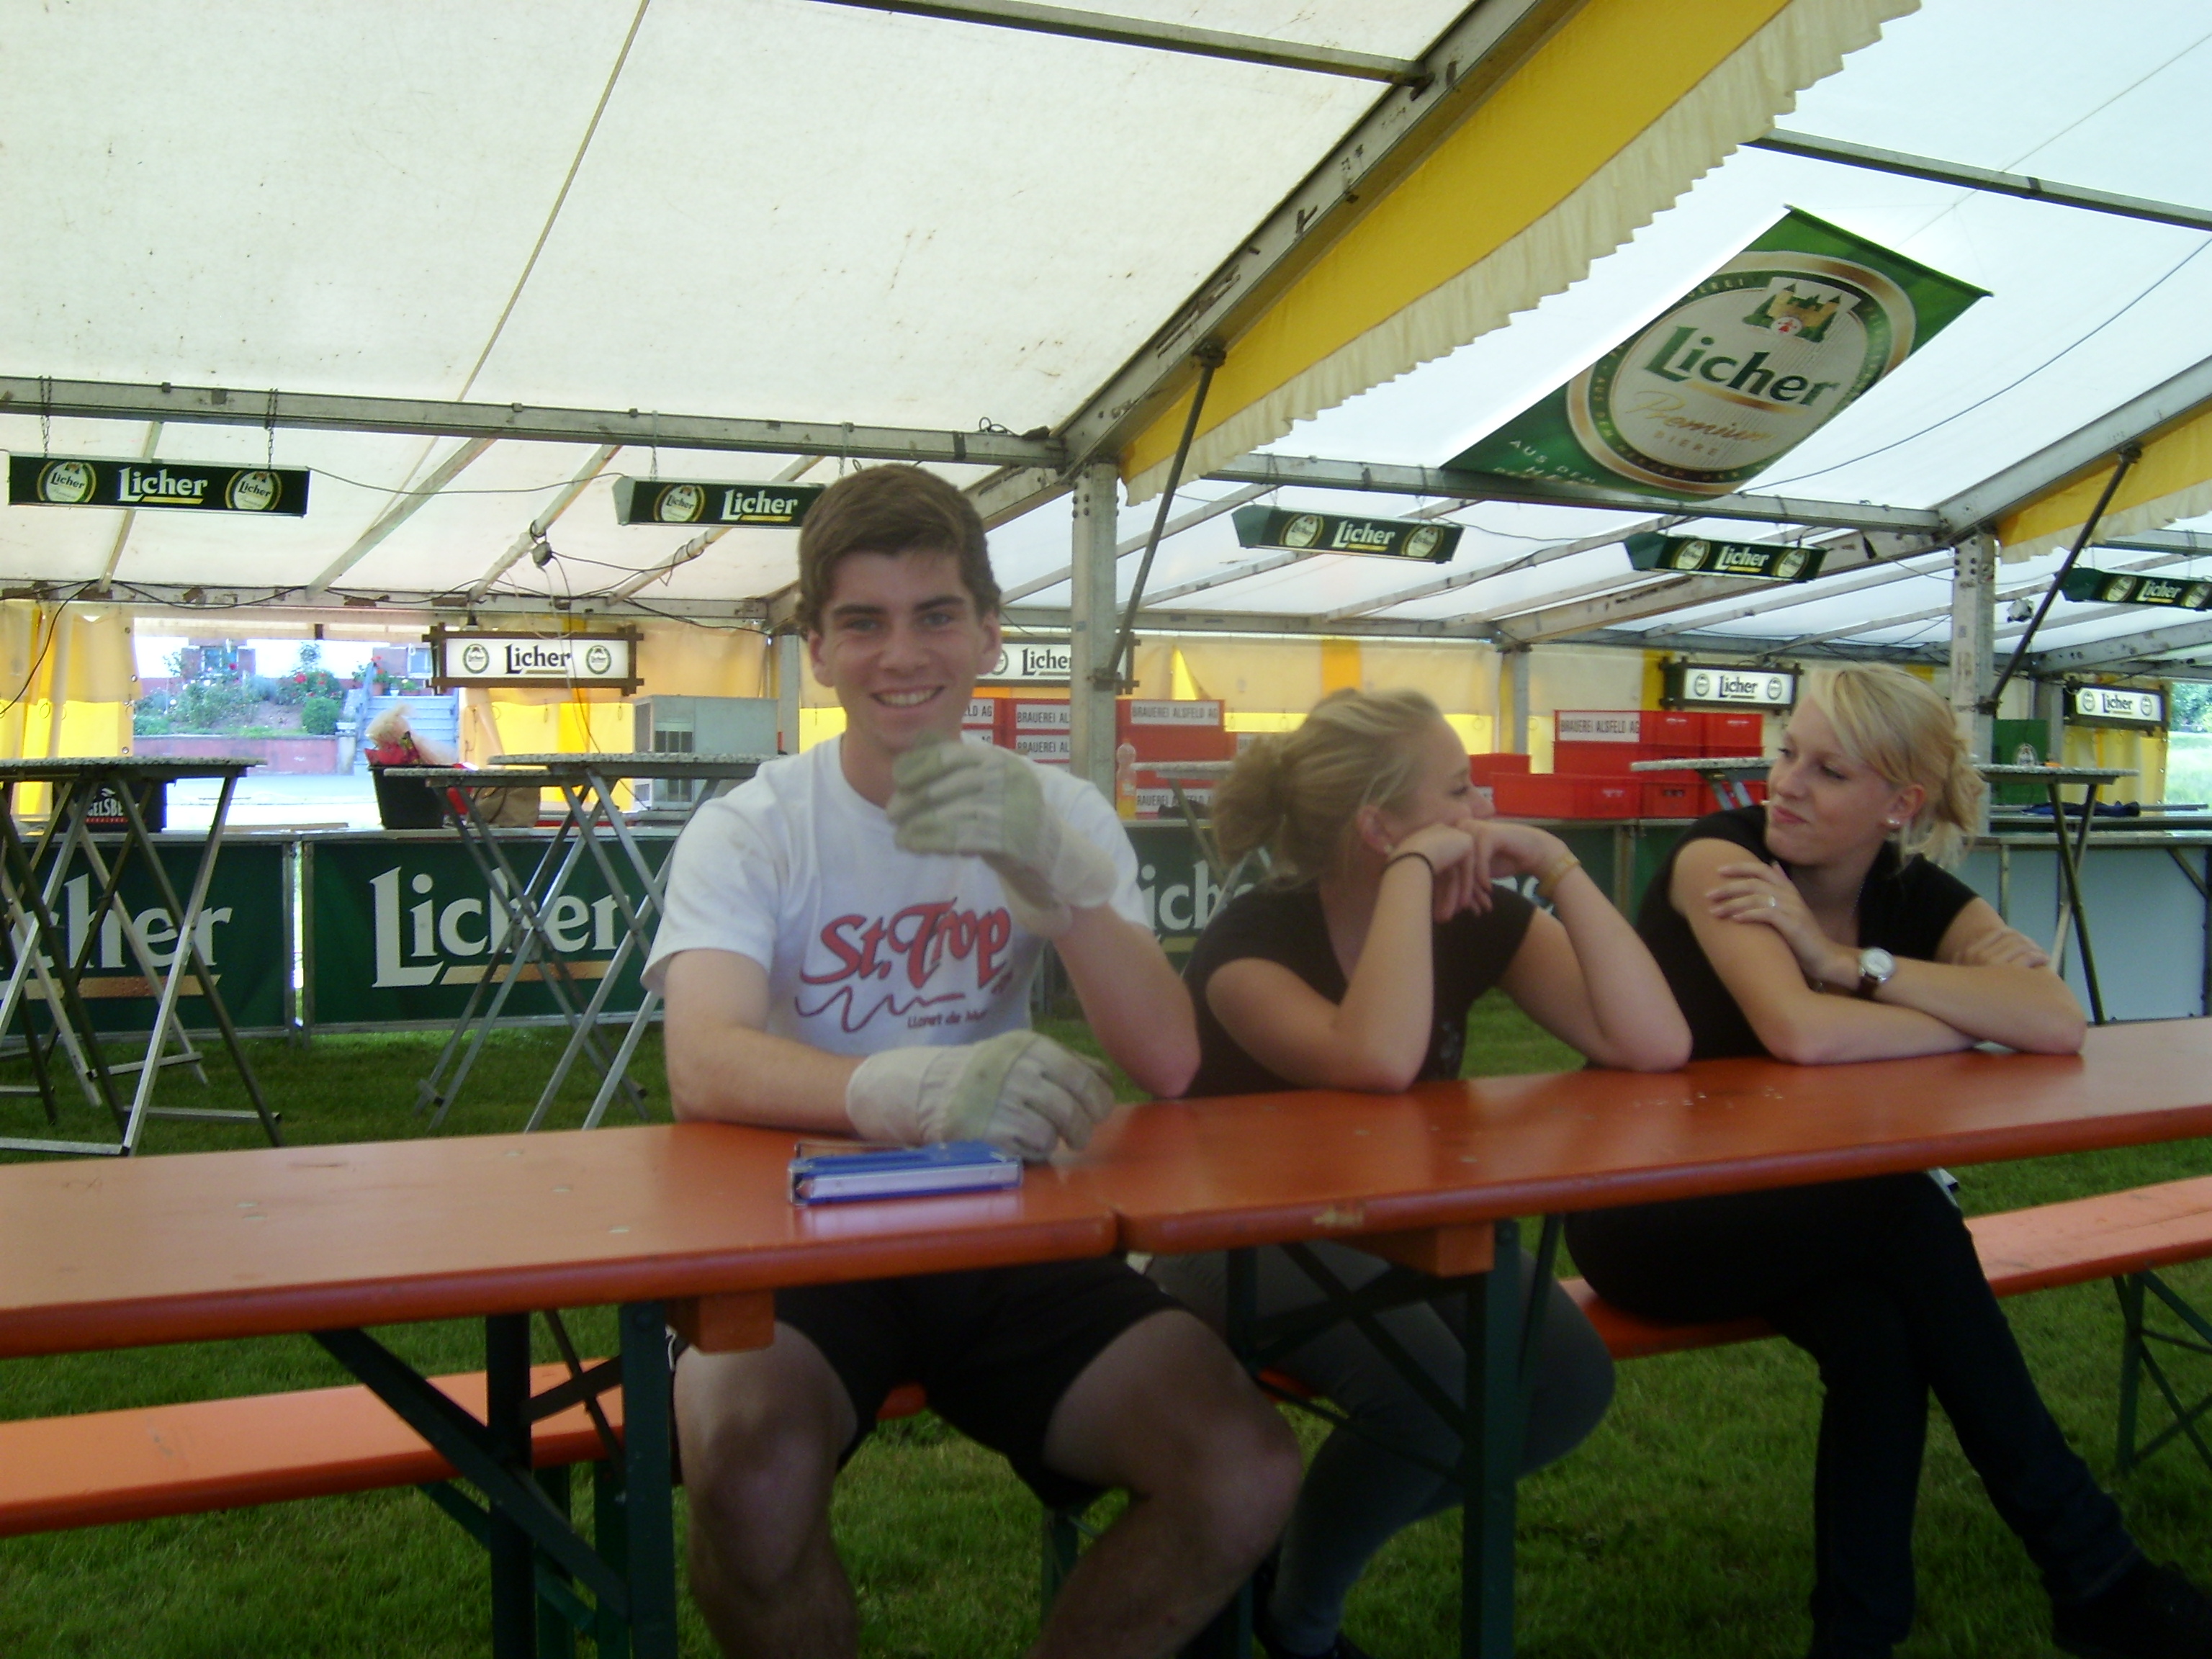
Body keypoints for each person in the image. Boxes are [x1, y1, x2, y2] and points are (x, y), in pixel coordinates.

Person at [643, 464, 1300, 1659]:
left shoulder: (1059, 807)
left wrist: (1060, 881)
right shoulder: (754, 826)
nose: (904, 654)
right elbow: (704, 1062)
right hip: (789, 1229)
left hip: (1002, 1225)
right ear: (818, 649)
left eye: (937, 615)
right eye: (864, 622)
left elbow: (1167, 1060)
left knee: (1241, 1467)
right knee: (748, 1471)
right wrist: (898, 1090)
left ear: (991, 633)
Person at [1563, 663, 2212, 1659]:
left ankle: (1862, 1639)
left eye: (1828, 771)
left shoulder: (1909, 896)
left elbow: (2053, 1020)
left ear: (1899, 805)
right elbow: (1803, 1034)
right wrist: (1959, 1015)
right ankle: (2097, 1573)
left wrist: (1846, 966)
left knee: (1878, 1338)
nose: (1786, 784)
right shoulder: (1723, 861)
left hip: (1802, 1210)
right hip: (1653, 1213)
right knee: (1904, 1212)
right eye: (1789, 754)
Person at [1148, 687, 1691, 1659]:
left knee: (1564, 1385)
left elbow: (1651, 1042)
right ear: (1379, 826)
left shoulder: (1470, 914)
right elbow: (1376, 1060)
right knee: (1432, 1398)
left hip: (1405, 1223)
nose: (1485, 809)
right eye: (1459, 790)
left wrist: (1558, 865)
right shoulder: (1249, 945)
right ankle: (1304, 1626)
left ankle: (1275, 1573)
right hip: (1235, 1234)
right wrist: (1409, 877)